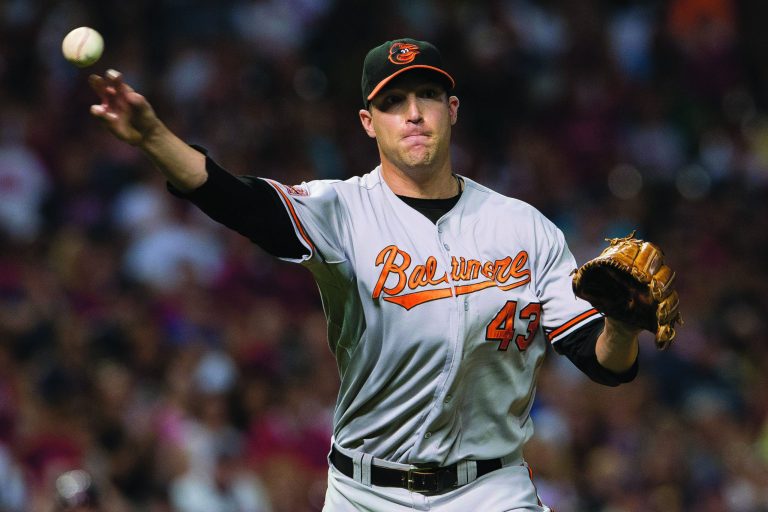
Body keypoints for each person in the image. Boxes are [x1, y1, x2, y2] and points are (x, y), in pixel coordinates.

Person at [90, 38, 642, 512]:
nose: (413, 112)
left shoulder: (525, 227)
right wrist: (155, 138)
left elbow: (602, 362)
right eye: (393, 100)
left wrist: (621, 324)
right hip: (368, 492)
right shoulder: (342, 210)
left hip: (491, 489)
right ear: (368, 122)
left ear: (452, 109)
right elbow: (240, 201)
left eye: (427, 95)